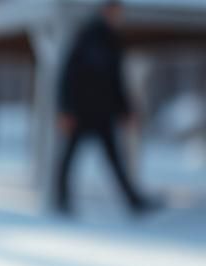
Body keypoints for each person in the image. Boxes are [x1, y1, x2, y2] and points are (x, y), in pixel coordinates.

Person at [54, 1, 158, 215]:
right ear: (105, 11)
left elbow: (115, 81)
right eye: (114, 12)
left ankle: (133, 202)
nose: (117, 16)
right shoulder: (86, 36)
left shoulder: (113, 41)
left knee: (114, 160)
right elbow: (68, 75)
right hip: (81, 112)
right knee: (69, 157)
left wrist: (125, 109)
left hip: (103, 113)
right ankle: (61, 201)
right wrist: (65, 109)